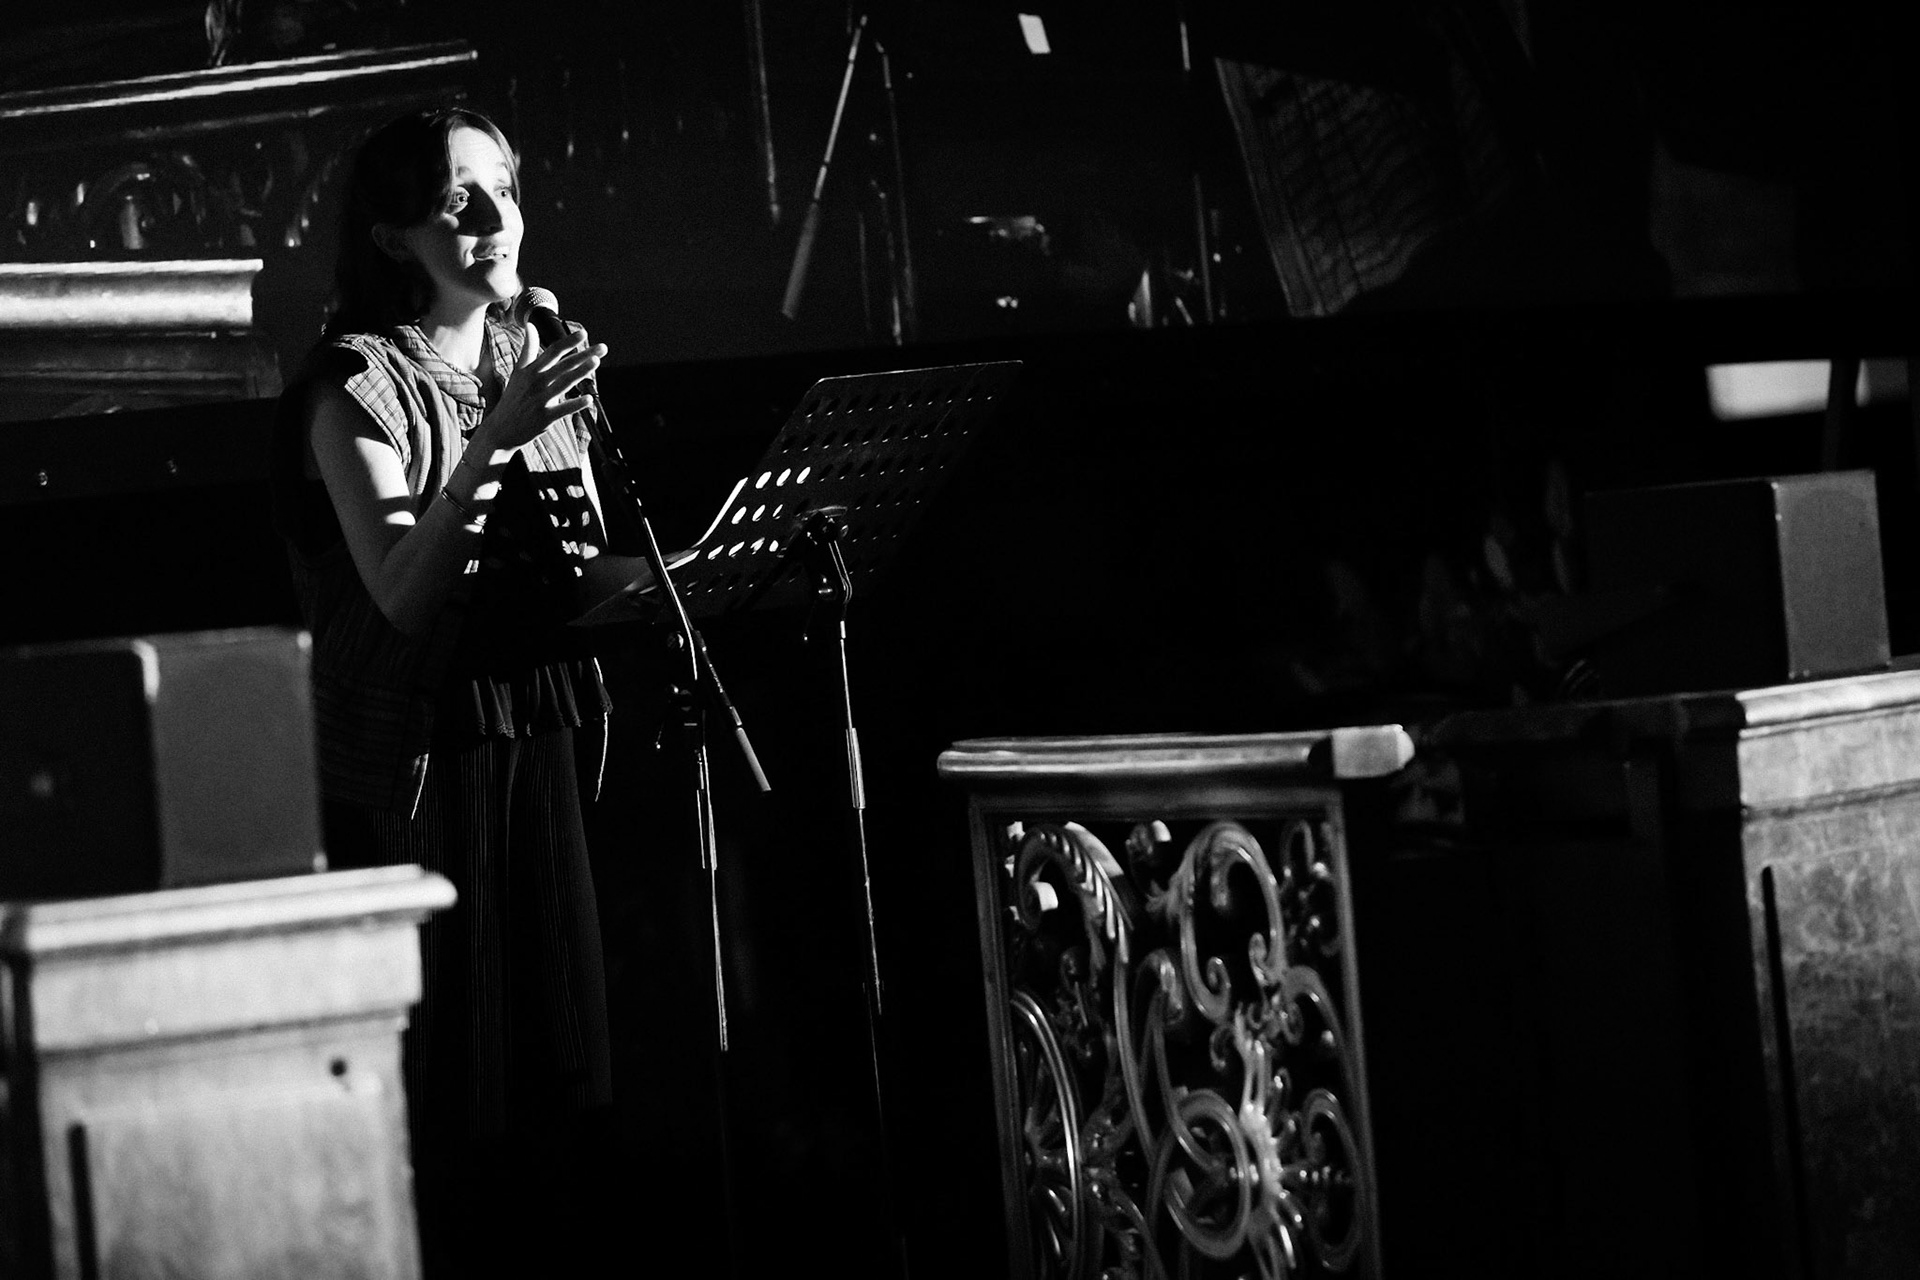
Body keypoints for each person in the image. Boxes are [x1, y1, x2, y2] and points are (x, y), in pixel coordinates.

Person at [271, 105, 650, 1275]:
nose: (493, 219)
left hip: (538, 723)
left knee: (562, 1058)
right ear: (394, 237)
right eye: (456, 202)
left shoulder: (531, 357)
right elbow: (399, 593)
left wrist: (716, 565)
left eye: (502, 191)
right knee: (456, 1077)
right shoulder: (354, 384)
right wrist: (492, 440)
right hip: (419, 757)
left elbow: (573, 564)